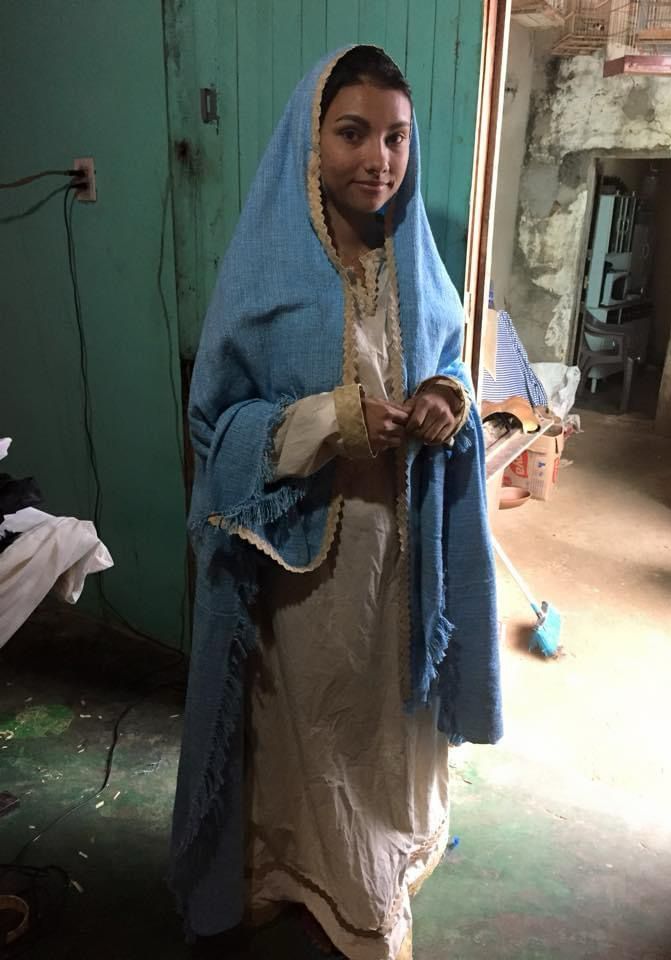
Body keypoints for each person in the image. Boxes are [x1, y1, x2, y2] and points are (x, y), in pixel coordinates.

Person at [169, 45, 502, 960]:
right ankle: (300, 876)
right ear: (308, 143)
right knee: (309, 725)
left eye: (396, 138)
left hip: (402, 552)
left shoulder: (411, 258)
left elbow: (448, 356)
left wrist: (447, 396)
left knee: (388, 725)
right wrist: (332, 420)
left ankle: (378, 876)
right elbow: (219, 429)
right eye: (352, 133)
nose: (378, 160)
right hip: (305, 562)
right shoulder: (265, 275)